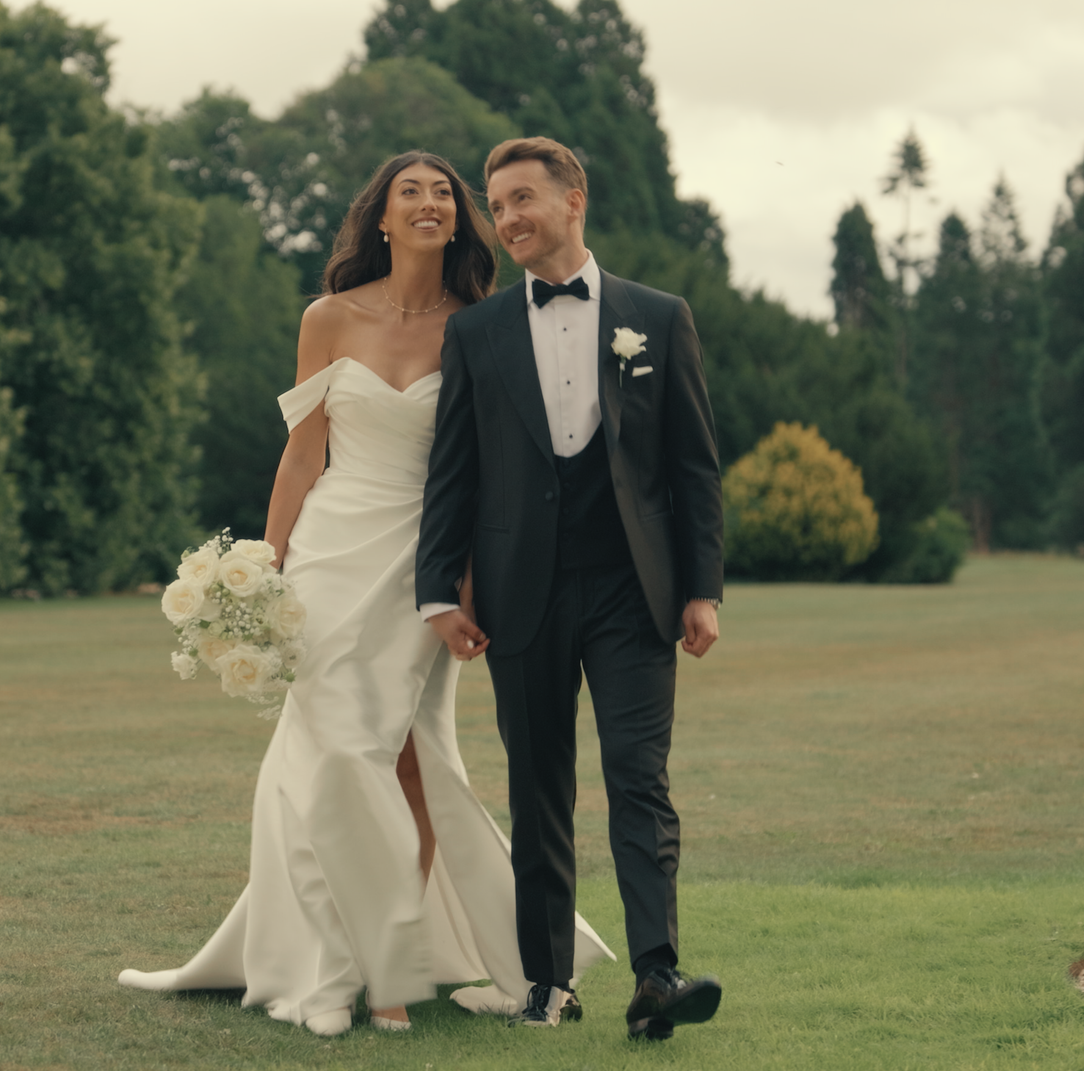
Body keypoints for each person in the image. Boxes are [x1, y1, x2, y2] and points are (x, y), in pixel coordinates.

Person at [117, 151, 612, 1036]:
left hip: (422, 570)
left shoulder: (480, 326)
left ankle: (384, 969)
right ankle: (336, 973)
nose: (427, 203)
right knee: (337, 754)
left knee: (404, 761)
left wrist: (461, 584)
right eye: (407, 192)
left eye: (442, 194)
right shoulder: (327, 317)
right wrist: (262, 573)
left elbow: (487, 471)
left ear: (459, 221)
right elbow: (304, 452)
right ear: (380, 219)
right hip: (326, 558)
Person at [415, 136, 727, 1040]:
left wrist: (700, 587)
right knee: (539, 786)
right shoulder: (475, 332)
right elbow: (454, 472)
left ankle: (657, 976)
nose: (506, 218)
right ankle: (547, 983)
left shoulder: (658, 318)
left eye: (521, 200)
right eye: (497, 204)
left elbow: (694, 468)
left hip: (637, 591)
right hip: (522, 592)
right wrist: (441, 590)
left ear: (573, 199)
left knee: (640, 778)